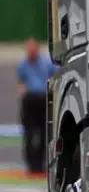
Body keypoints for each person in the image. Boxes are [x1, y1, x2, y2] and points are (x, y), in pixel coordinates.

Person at [17, 38, 57, 173]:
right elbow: (21, 80)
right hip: (30, 100)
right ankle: (31, 165)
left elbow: (55, 75)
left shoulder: (46, 62)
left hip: (43, 99)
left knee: (44, 132)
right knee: (29, 133)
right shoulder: (23, 63)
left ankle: (41, 164)